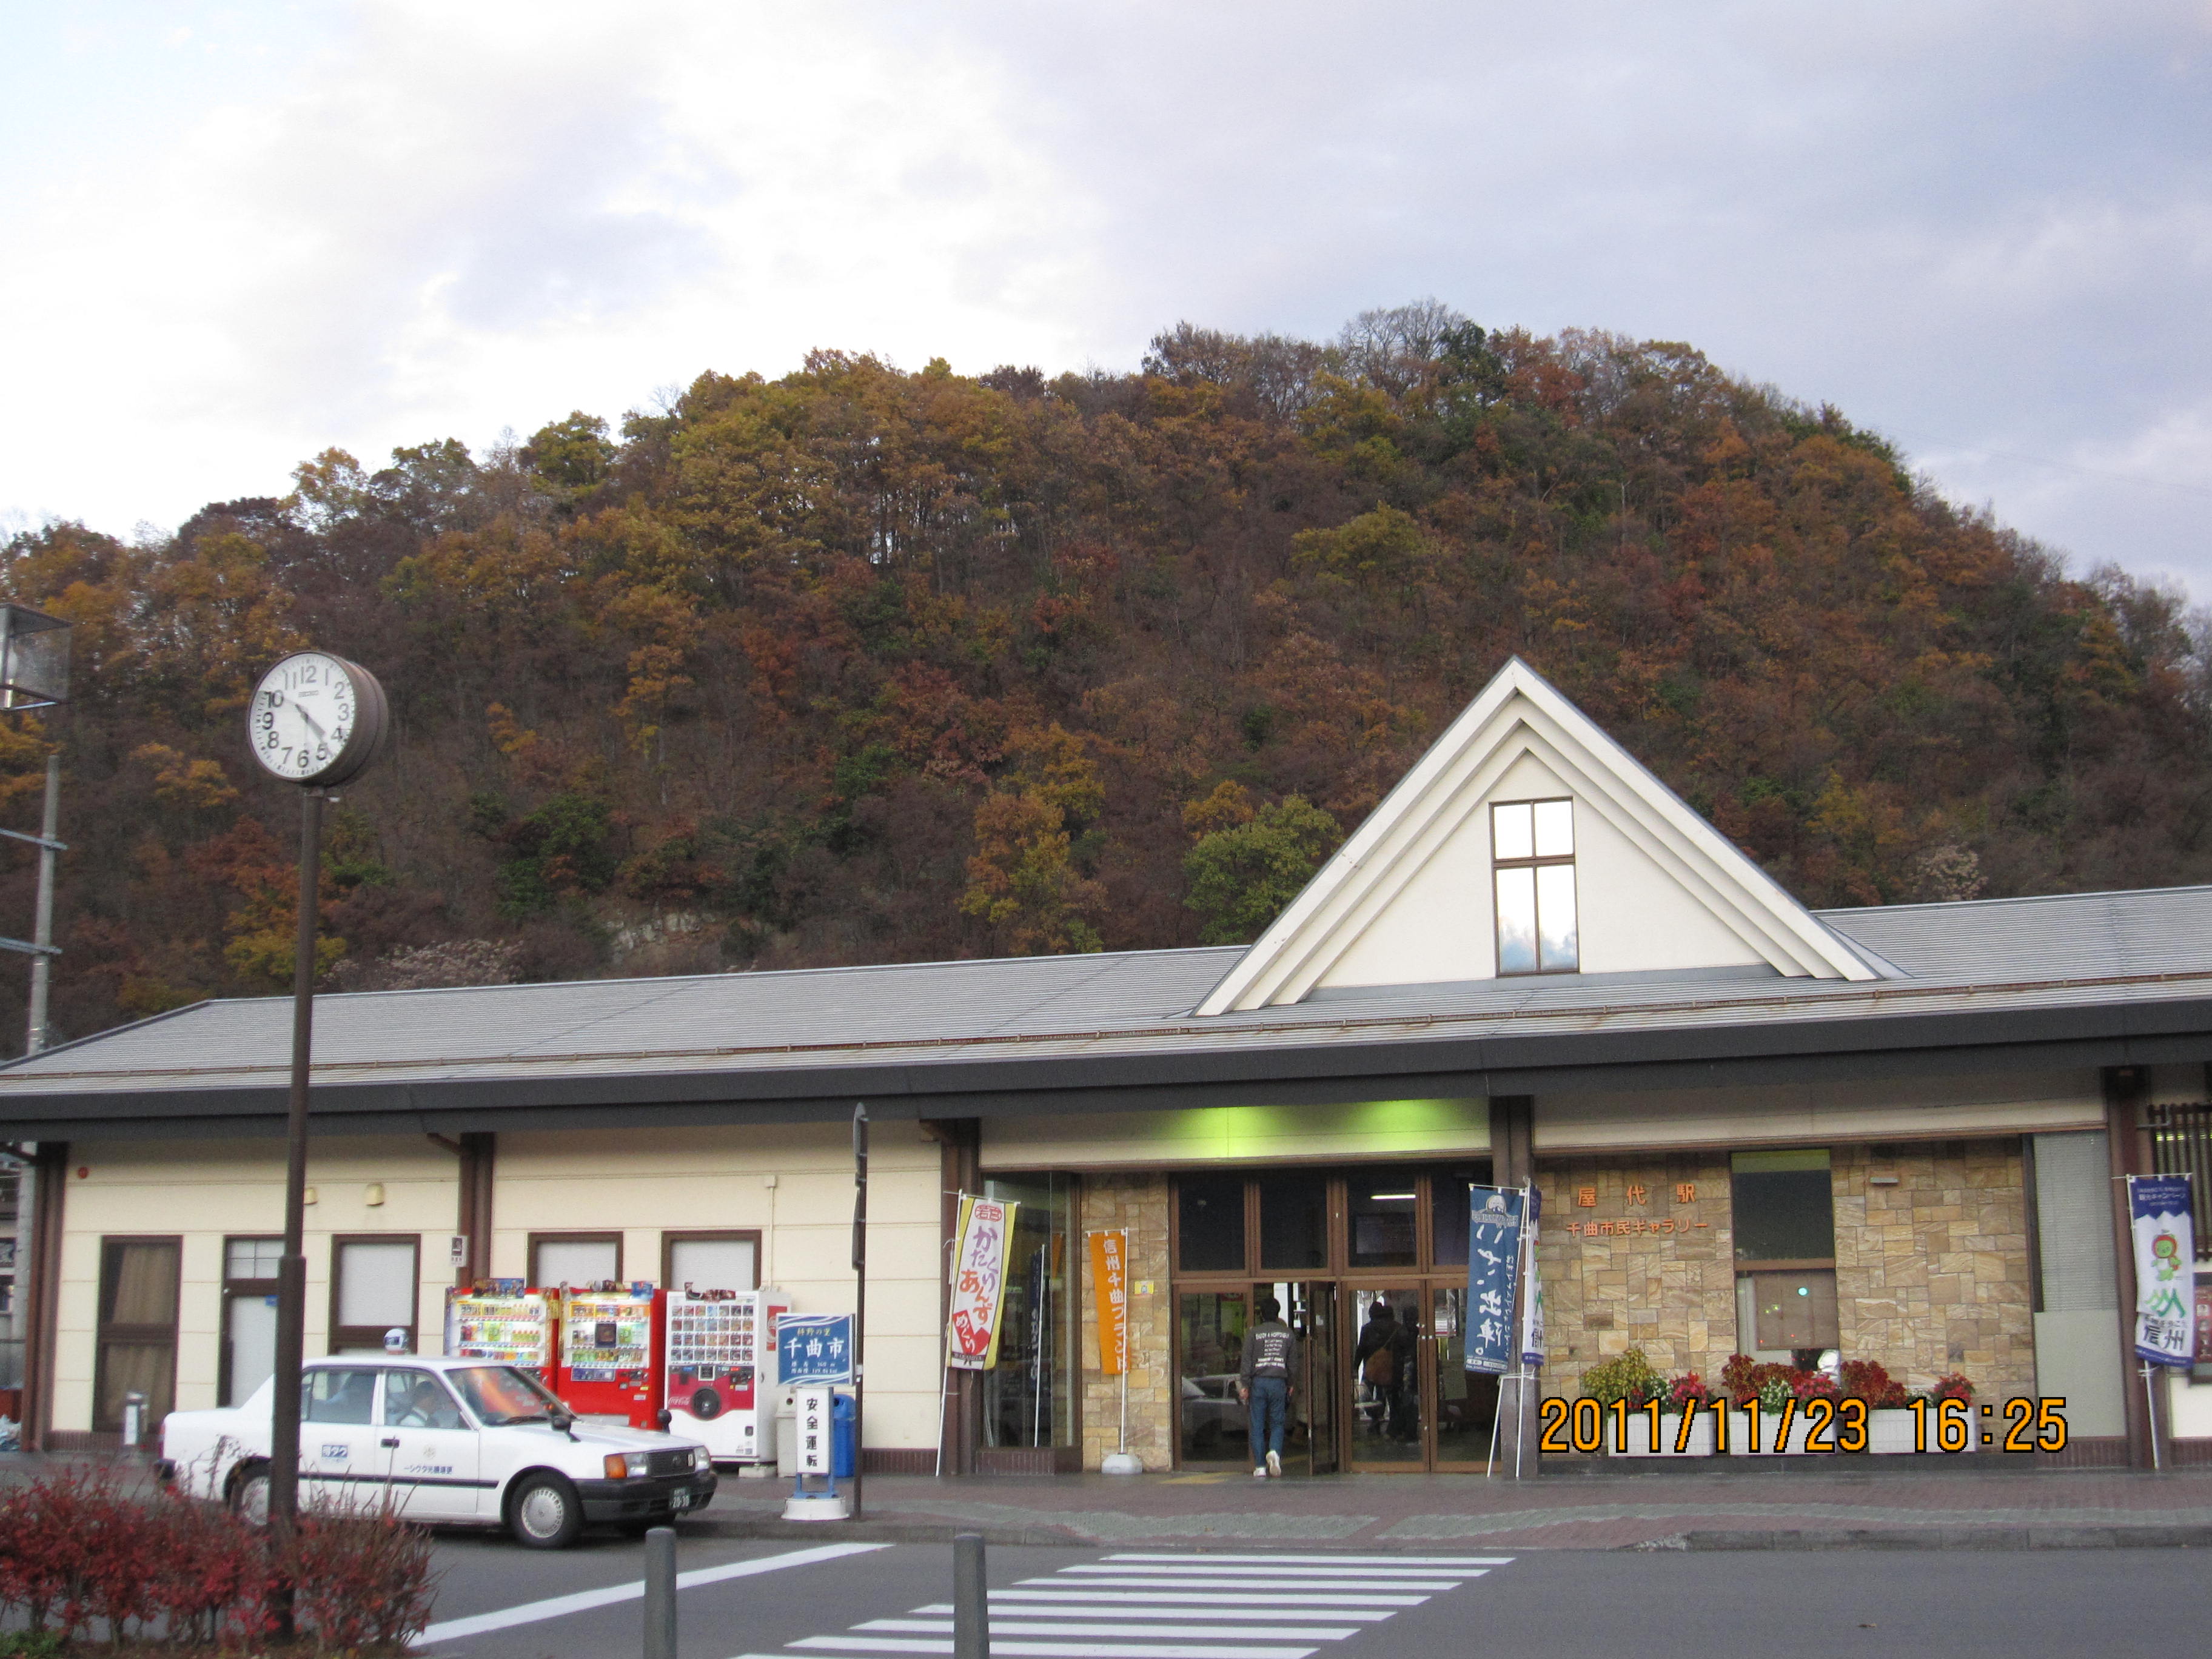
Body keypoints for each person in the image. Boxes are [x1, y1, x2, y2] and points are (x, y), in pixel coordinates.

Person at [1237, 1296, 1300, 1478]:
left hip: (1258, 1383)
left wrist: (1245, 1384)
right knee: (1278, 1423)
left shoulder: (1253, 1334)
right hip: (1278, 1382)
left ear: (1261, 1314)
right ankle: (1274, 1452)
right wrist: (1290, 1384)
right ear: (1278, 1313)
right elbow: (1293, 1365)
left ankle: (1260, 1467)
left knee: (1257, 1424)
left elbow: (1247, 1362)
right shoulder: (1288, 1335)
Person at [1355, 1299, 1416, 1442]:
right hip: (1393, 1370)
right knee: (1394, 1400)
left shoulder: (1367, 1329)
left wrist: (1354, 1367)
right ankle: (1393, 1429)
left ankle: (1376, 1419)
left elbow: (1361, 1350)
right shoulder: (1397, 1328)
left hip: (1372, 1370)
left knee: (1369, 1398)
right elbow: (1407, 1350)